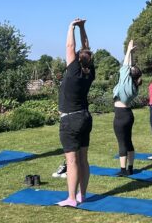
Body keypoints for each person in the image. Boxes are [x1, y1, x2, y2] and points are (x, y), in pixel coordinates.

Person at [57, 18, 95, 207]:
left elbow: (70, 46)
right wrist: (82, 28)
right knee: (83, 159)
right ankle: (83, 194)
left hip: (71, 120)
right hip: (85, 117)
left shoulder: (73, 72)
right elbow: (85, 48)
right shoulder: (89, 72)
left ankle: (72, 198)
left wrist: (71, 26)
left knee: (71, 161)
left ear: (78, 59)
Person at [112, 39, 142, 176]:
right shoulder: (134, 86)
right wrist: (131, 53)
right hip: (129, 115)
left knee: (122, 143)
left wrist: (129, 51)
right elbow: (130, 67)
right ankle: (130, 168)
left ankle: (123, 170)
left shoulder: (125, 81)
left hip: (120, 115)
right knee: (128, 141)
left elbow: (126, 65)